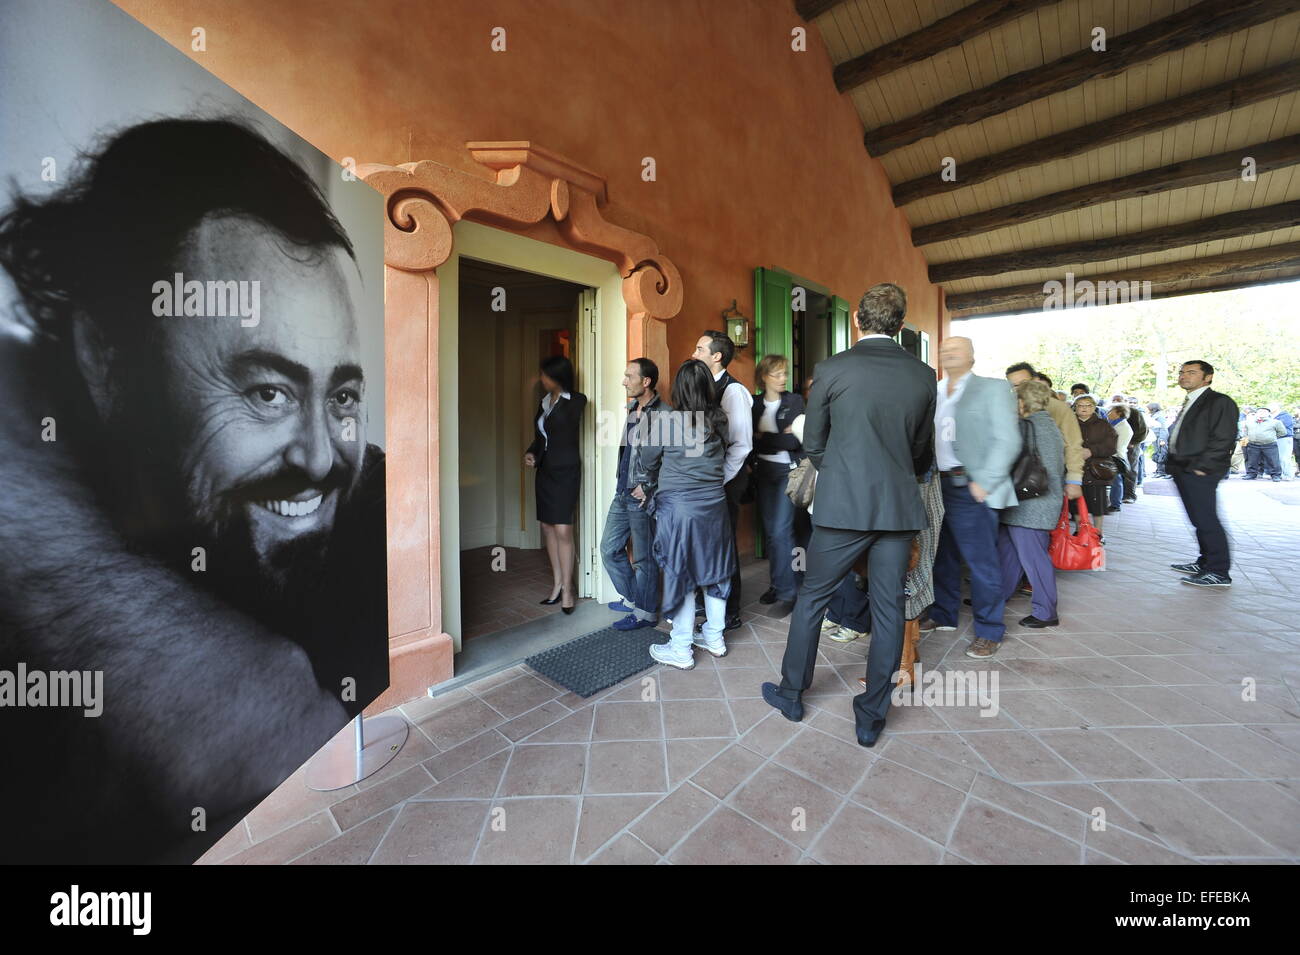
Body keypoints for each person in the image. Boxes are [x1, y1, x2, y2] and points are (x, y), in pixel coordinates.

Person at [0, 118, 386, 863]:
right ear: (108, 366)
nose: (318, 456)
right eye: (268, 391)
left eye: (340, 396)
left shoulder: (373, 513)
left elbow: (290, 756)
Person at [762, 283, 935, 748]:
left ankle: (792, 693)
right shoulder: (923, 375)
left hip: (842, 507)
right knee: (888, 608)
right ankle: (871, 716)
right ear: (900, 324)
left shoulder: (832, 369)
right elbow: (922, 451)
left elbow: (813, 443)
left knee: (813, 598)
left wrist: (843, 472)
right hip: (897, 508)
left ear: (858, 319)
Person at [629, 359, 737, 669]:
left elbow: (647, 462)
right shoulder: (719, 420)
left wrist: (649, 482)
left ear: (678, 389)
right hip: (714, 504)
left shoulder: (667, 422)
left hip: (679, 508)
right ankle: (715, 638)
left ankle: (680, 648)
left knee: (682, 575)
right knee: (715, 571)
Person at [927, 336, 1022, 660]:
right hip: (937, 485)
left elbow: (1008, 440)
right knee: (942, 556)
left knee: (982, 564)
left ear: (971, 356)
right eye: (944, 349)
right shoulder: (935, 390)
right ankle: (943, 614)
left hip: (972, 487)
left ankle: (989, 630)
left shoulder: (993, 389)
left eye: (956, 349)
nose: (947, 353)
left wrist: (986, 481)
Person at [691, 330, 752, 629]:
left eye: (700, 349)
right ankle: (709, 601)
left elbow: (741, 444)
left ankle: (730, 610)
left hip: (726, 480)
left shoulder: (734, 391)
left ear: (716, 356)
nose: (694, 353)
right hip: (710, 480)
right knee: (708, 543)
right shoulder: (705, 387)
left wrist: (719, 479)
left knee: (723, 544)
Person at [600, 358, 662, 630]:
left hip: (641, 496)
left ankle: (646, 613)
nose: (624, 381)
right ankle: (634, 598)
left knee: (644, 558)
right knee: (609, 549)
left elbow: (668, 458)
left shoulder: (664, 414)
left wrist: (647, 486)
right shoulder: (631, 409)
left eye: (629, 376)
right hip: (622, 491)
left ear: (646, 381)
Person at [1165, 360, 1239, 587]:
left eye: (1191, 372)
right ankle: (1205, 561)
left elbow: (1224, 438)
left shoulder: (1219, 402)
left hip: (1200, 470)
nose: (1184, 376)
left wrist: (1203, 466)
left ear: (1208, 377)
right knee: (1198, 518)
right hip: (1183, 467)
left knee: (1206, 519)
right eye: (1182, 372)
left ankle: (1218, 571)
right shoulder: (1191, 401)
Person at [524, 355, 588, 613]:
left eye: (544, 375)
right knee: (547, 526)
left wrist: (561, 398)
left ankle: (568, 589)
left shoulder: (577, 401)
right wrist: (531, 452)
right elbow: (540, 438)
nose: (541, 379)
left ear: (557, 376)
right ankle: (557, 584)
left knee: (563, 529)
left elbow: (565, 429)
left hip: (566, 471)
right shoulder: (543, 402)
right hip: (545, 472)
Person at [999, 380, 1065, 627]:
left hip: (1032, 503)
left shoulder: (1027, 426)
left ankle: (1046, 611)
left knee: (1033, 558)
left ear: (1022, 402)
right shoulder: (1046, 423)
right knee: (1010, 553)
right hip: (1034, 500)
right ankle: (996, 597)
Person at [750, 353, 805, 618]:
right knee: (772, 533)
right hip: (762, 472)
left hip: (787, 472)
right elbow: (746, 440)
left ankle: (788, 592)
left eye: (785, 373)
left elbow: (795, 442)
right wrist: (774, 437)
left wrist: (763, 437)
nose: (784, 378)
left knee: (782, 532)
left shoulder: (795, 401)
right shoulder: (753, 403)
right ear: (764, 377)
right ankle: (776, 584)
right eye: (778, 373)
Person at [1005, 362, 1084, 503]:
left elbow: (1073, 445)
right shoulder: (1007, 406)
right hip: (1013, 482)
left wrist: (1074, 480)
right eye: (1014, 385)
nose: (1018, 389)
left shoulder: (1058, 408)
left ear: (1036, 380)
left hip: (1044, 483)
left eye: (1023, 383)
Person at [1072, 395, 1119, 535]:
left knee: (1098, 504)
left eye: (1088, 405)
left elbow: (1111, 447)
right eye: (1080, 405)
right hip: (1075, 468)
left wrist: (1092, 451)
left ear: (1093, 407)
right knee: (1076, 503)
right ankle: (1079, 531)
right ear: (1075, 408)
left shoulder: (1104, 425)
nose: (1084, 408)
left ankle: (1098, 532)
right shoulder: (1069, 424)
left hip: (1096, 470)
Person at [1241, 407, 1286, 482]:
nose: (1262, 413)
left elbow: (1283, 432)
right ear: (1256, 413)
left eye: (1264, 411)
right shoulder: (1249, 422)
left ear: (1268, 413)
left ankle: (1276, 475)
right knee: (1252, 460)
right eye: (1260, 411)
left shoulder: (1275, 422)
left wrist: (1271, 437)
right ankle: (1251, 474)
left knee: (1273, 461)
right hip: (1253, 444)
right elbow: (1245, 432)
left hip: (1269, 444)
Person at [1105, 404, 1133, 514]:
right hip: (1110, 455)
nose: (1108, 413)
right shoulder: (1112, 424)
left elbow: (1119, 446)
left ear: (1119, 413)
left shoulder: (1124, 427)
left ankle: (1116, 504)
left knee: (1116, 481)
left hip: (1115, 457)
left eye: (1111, 411)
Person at [1148, 402, 1170, 479]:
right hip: (1156, 438)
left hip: (1160, 438)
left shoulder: (1160, 416)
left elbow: (1163, 429)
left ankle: (1163, 472)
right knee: (1158, 454)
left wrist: (1162, 439)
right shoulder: (1155, 416)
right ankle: (1159, 470)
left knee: (1162, 454)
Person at [1276, 406, 1296, 480]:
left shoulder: (1285, 416)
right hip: (1277, 438)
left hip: (1285, 438)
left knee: (1285, 457)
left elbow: (1283, 427)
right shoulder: (1273, 416)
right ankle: (1282, 474)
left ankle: (1288, 475)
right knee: (1280, 458)